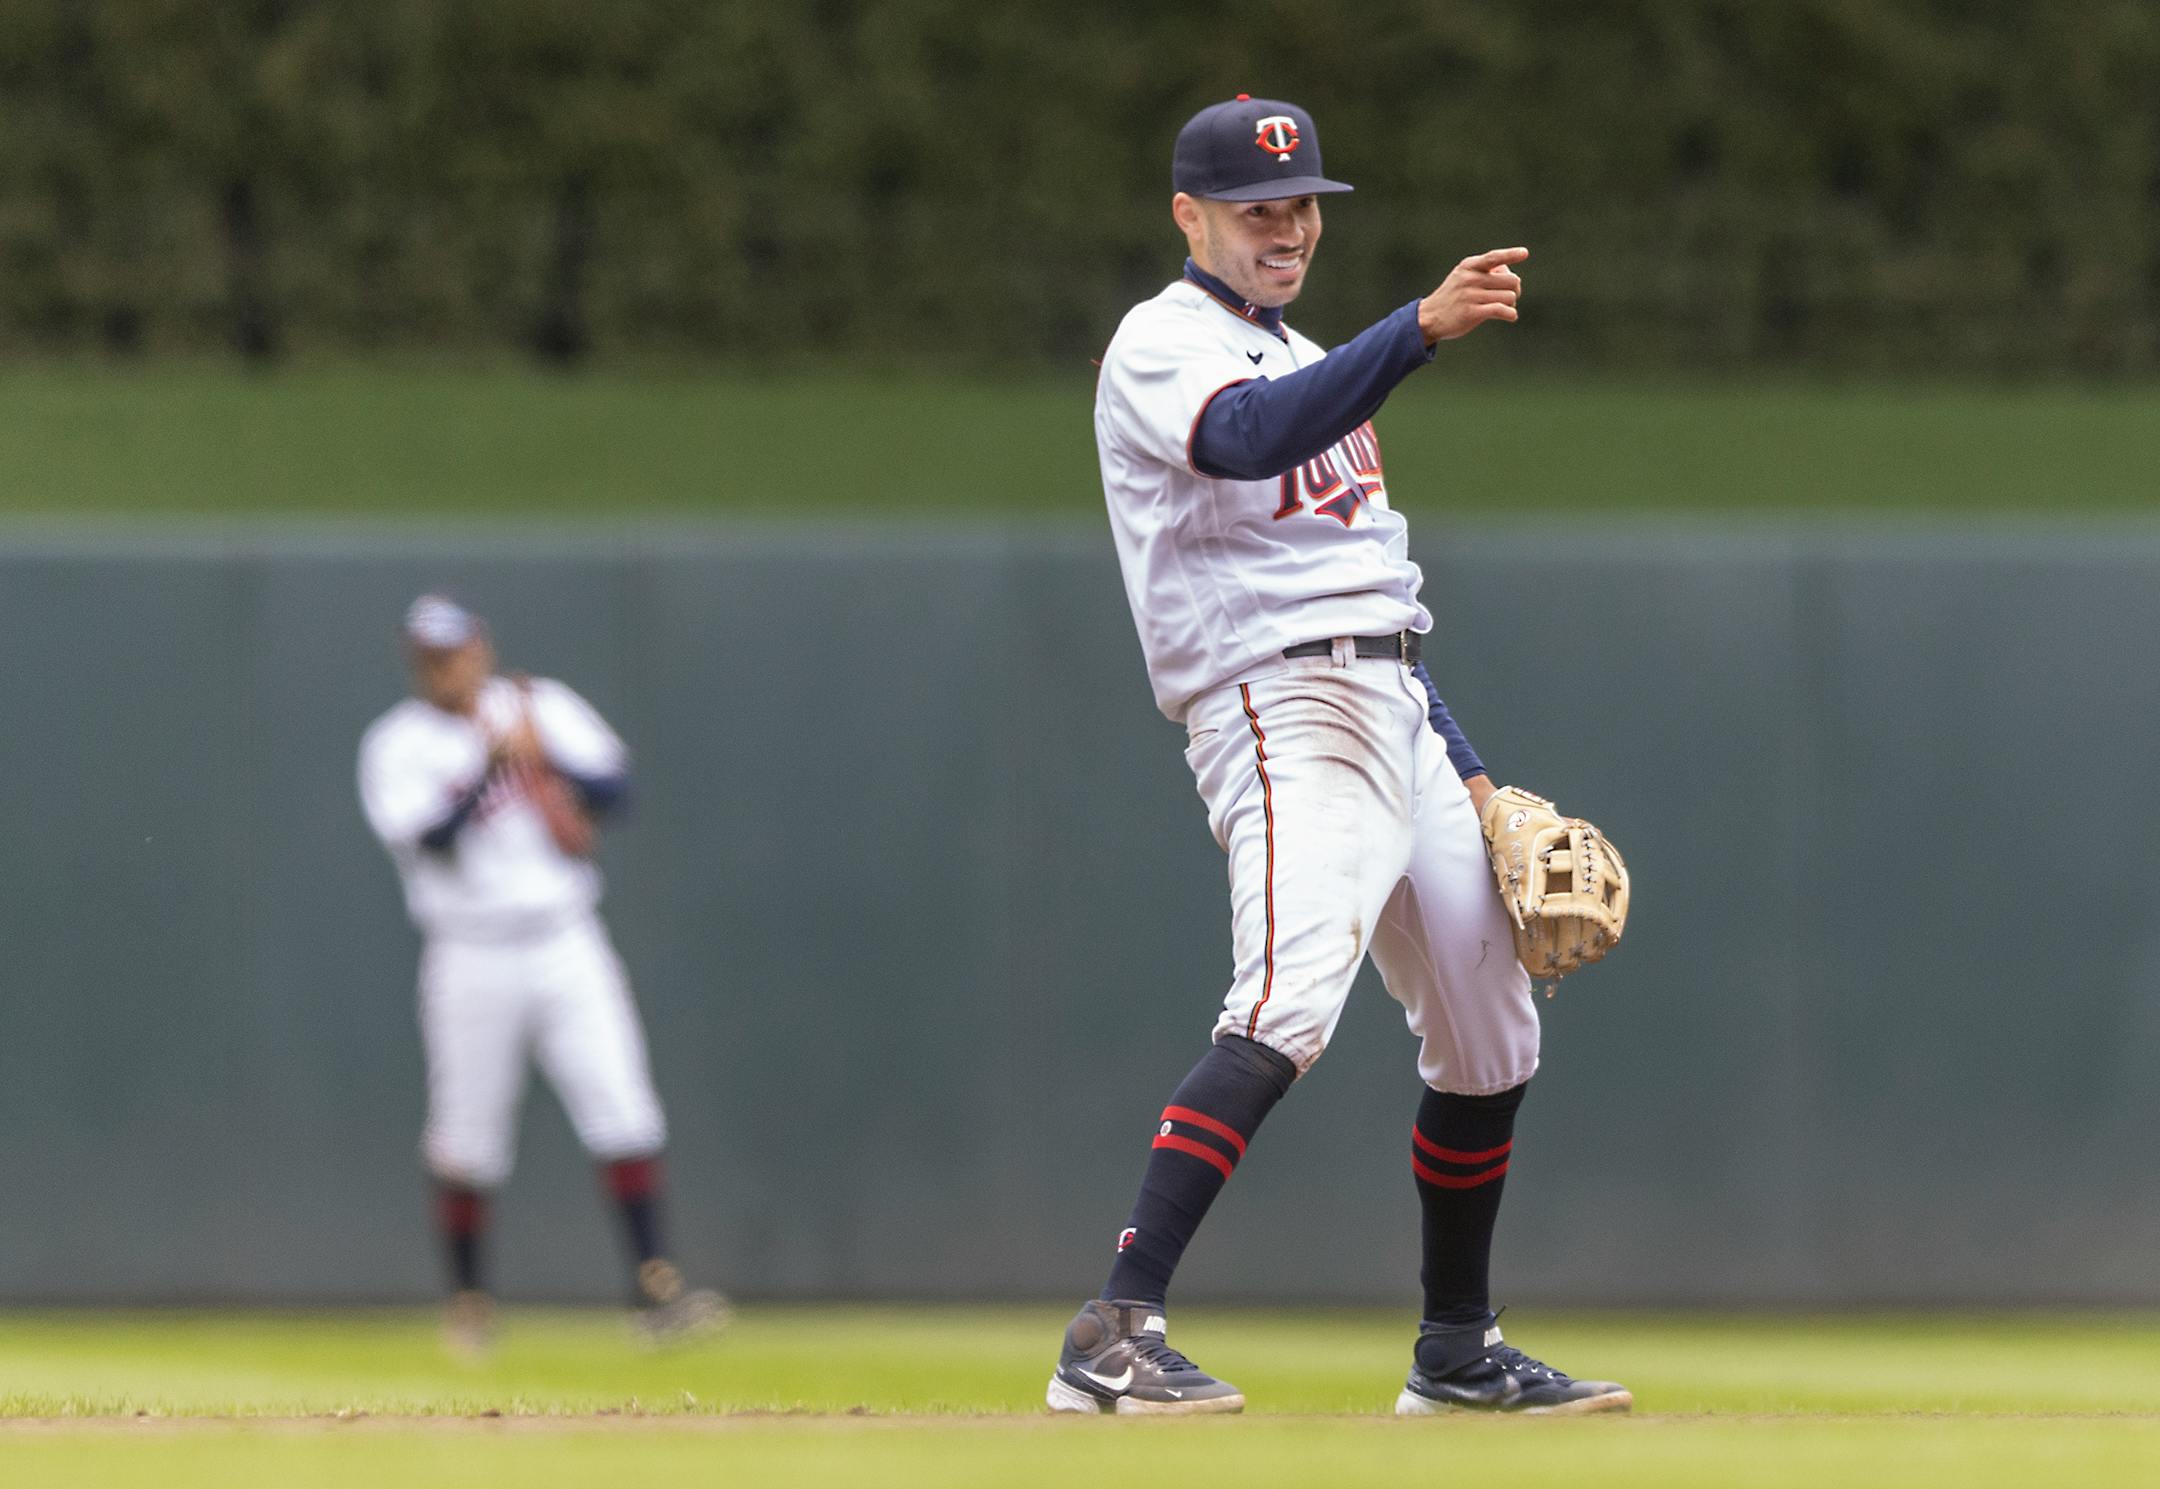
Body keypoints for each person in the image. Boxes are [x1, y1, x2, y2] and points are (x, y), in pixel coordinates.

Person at [1048, 95, 1630, 1416]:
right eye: (1259, 208)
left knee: (1492, 1033)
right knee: (1287, 1004)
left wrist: (1474, 779)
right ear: (1189, 215)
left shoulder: (1316, 355)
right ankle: (1112, 1330)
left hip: (1394, 704)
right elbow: (1245, 437)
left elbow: (1378, 589)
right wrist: (1416, 331)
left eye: (1303, 204)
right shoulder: (1162, 343)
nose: (1288, 226)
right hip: (1275, 708)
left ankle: (1458, 1353)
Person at [358, 595, 724, 1354]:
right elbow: (430, 841)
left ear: (481, 646)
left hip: (564, 937)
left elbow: (617, 793)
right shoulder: (397, 743)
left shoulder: (538, 705)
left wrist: (541, 756)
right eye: (429, 653)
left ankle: (655, 1291)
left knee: (622, 1104)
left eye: (454, 648)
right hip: (469, 947)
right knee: (468, 1131)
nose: (444, 664)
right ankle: (468, 1303)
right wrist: (489, 768)